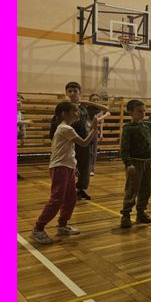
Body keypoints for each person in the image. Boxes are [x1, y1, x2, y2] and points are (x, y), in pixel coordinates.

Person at [31, 101, 104, 245]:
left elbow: (67, 150)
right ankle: (38, 229)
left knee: (71, 198)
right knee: (57, 199)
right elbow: (84, 143)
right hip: (60, 167)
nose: (78, 113)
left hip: (67, 167)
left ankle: (62, 225)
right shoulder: (65, 128)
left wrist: (73, 166)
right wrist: (94, 129)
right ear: (65, 114)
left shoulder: (66, 128)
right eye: (75, 110)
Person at [48, 82, 108, 200]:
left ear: (80, 92)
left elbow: (106, 109)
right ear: (66, 93)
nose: (72, 93)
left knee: (84, 167)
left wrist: (86, 102)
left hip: (84, 141)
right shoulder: (63, 108)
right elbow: (55, 127)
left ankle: (81, 189)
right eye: (69, 91)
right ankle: (67, 190)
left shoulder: (84, 108)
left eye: (75, 91)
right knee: (69, 168)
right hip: (69, 143)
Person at [118, 98, 151, 228]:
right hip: (135, 162)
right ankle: (126, 214)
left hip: (148, 162)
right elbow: (124, 148)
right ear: (130, 112)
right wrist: (128, 164)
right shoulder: (128, 128)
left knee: (146, 189)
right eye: (139, 111)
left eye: (144, 111)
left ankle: (141, 212)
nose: (143, 114)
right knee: (132, 189)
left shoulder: (146, 125)